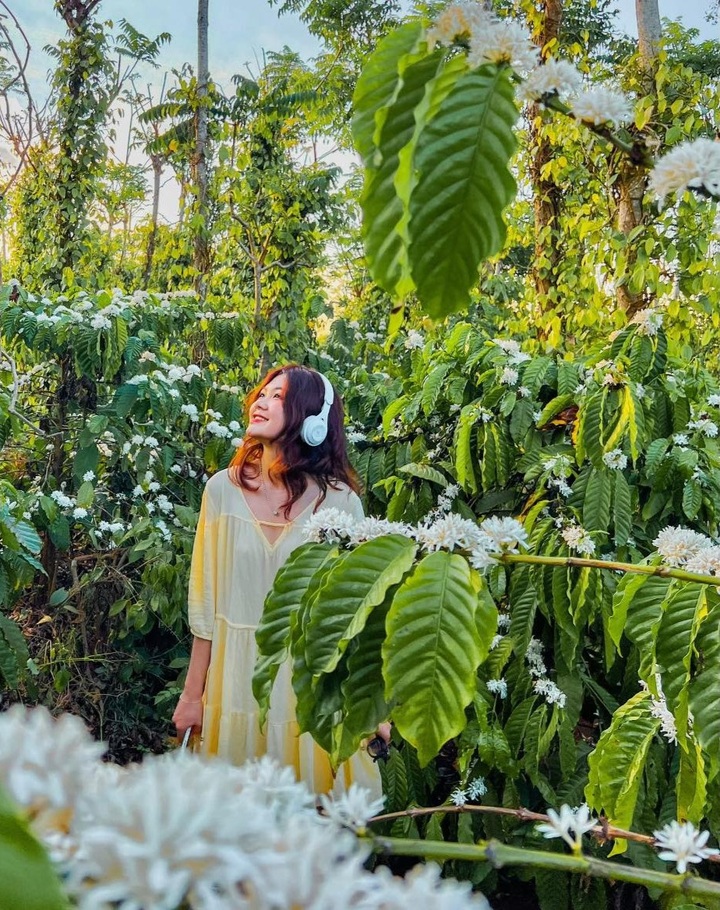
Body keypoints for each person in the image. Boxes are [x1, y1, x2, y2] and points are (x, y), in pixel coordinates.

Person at [172, 364, 383, 795]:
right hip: (234, 682)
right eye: (262, 394)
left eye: (279, 396)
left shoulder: (343, 505)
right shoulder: (221, 491)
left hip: (308, 685)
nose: (261, 401)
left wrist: (370, 708)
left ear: (313, 420)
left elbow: (359, 616)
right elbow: (205, 609)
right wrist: (192, 696)